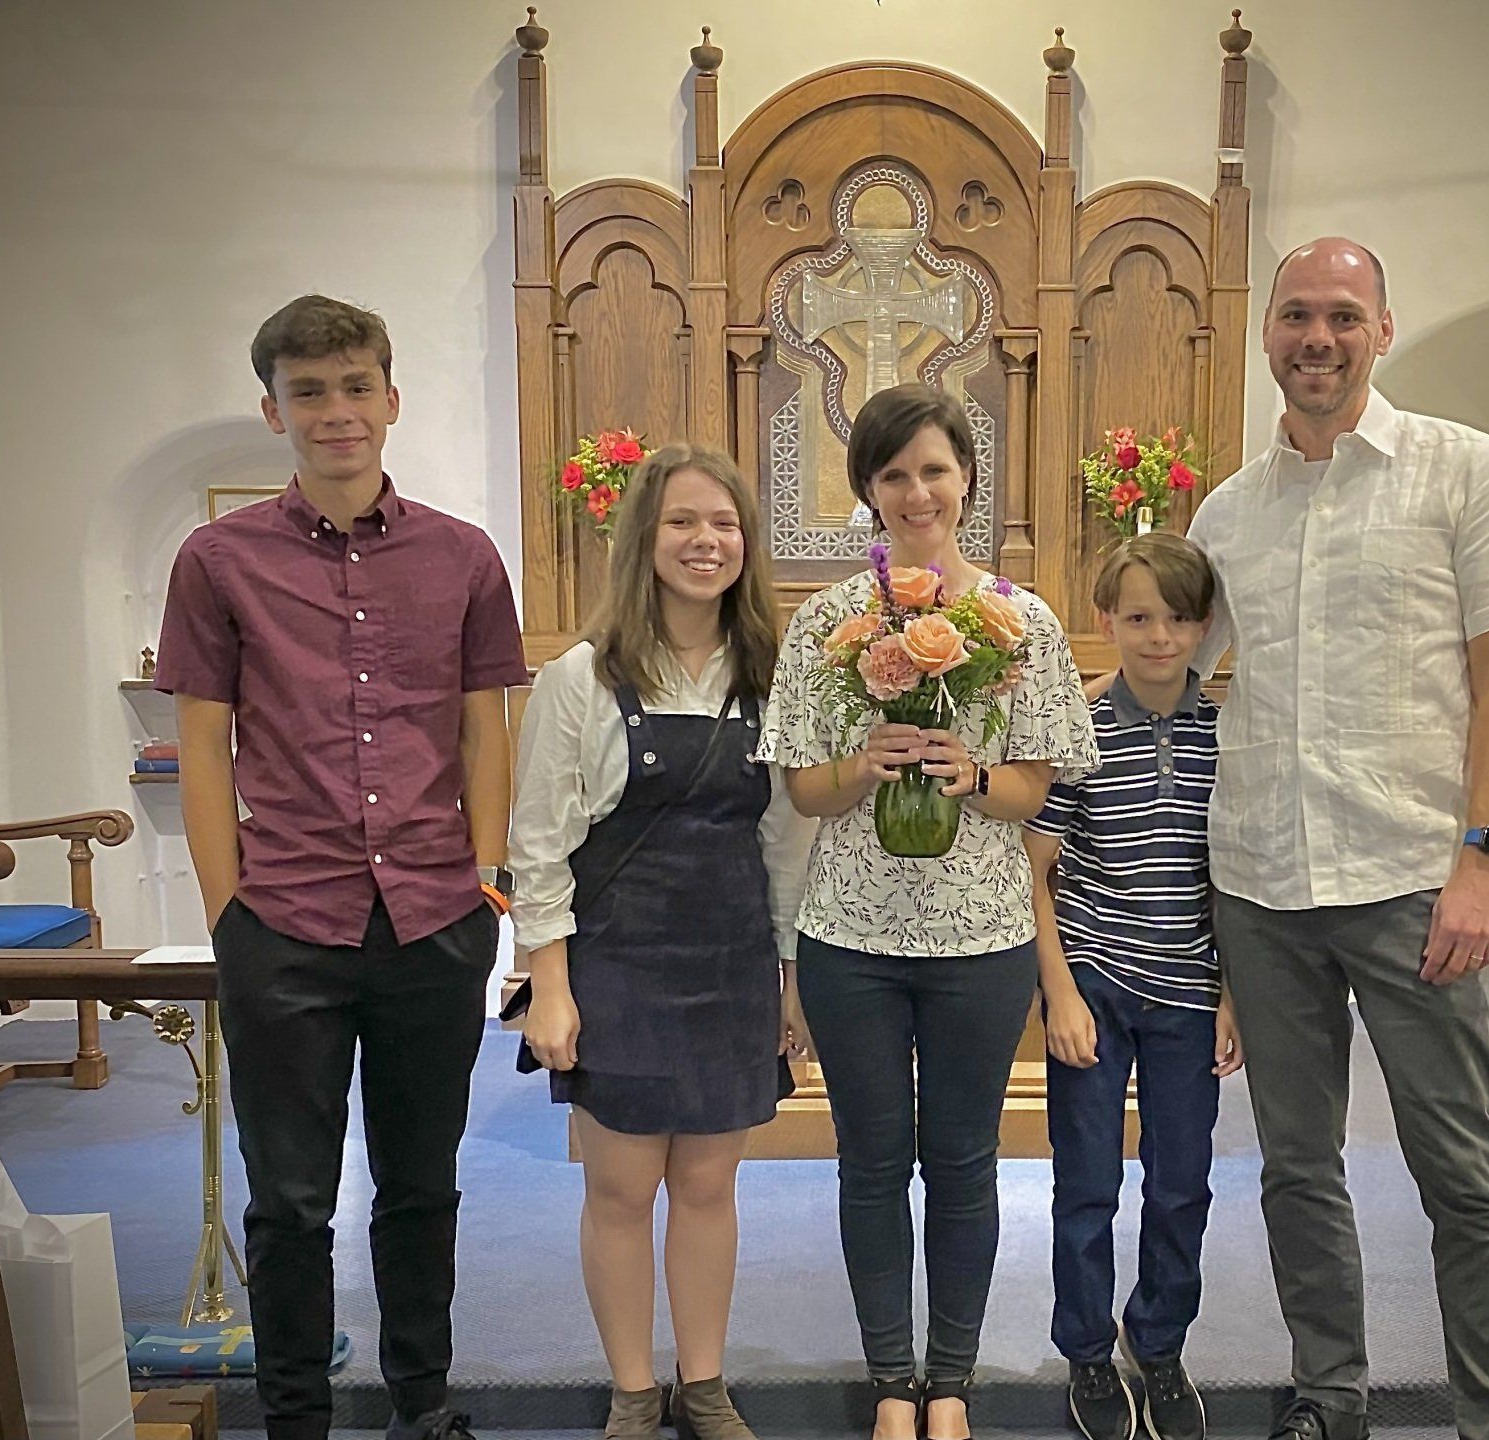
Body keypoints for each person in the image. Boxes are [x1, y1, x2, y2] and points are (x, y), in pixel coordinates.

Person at [1185, 238, 1489, 1440]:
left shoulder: (1461, 469)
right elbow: (1171, 684)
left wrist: (1484, 862)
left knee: (1464, 1175)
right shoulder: (1227, 513)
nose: (1317, 339)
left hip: (1412, 881)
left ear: (1382, 330)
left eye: (1343, 315)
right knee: (1296, 1169)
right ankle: (1328, 1400)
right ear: (1268, 334)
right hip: (1263, 885)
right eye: (1296, 315)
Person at [156, 294, 526, 1440]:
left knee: (421, 1190)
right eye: (309, 392)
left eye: (356, 386)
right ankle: (296, 1422)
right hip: (286, 921)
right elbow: (203, 748)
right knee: (292, 1203)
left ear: (391, 399)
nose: (336, 412)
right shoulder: (218, 561)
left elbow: (483, 729)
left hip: (430, 916)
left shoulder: (461, 557)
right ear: (273, 409)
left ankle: (423, 1405)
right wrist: (231, 913)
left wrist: (483, 882)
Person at [756, 383, 1099, 1440]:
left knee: (961, 1160)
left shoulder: (1017, 620)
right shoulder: (826, 622)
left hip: (983, 937)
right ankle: (891, 1386)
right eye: (894, 473)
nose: (917, 492)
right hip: (852, 936)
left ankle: (951, 1383)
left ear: (967, 481)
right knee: (869, 1162)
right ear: (867, 488)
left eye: (935, 470)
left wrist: (968, 772)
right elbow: (804, 791)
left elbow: (1035, 793)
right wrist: (867, 766)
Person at [508, 444, 814, 1440]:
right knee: (621, 1185)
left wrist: (790, 981)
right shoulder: (578, 680)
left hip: (729, 961)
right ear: (645, 536)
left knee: (710, 1182)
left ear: (745, 544)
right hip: (618, 964)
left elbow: (786, 843)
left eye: (723, 524)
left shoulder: (773, 678)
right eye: (683, 521)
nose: (704, 540)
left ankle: (707, 1386)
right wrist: (547, 986)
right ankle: (635, 1391)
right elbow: (539, 845)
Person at [1024, 534, 1239, 1440]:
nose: (1159, 637)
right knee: (1086, 1185)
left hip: (1191, 991)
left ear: (1204, 627)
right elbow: (1033, 872)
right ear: (1107, 619)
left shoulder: (1231, 734)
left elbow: (1238, 877)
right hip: (1096, 985)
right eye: (1139, 617)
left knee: (1182, 1182)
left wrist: (1235, 994)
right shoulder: (1078, 730)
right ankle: (1085, 1349)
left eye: (1178, 618)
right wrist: (1061, 995)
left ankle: (1158, 1344)